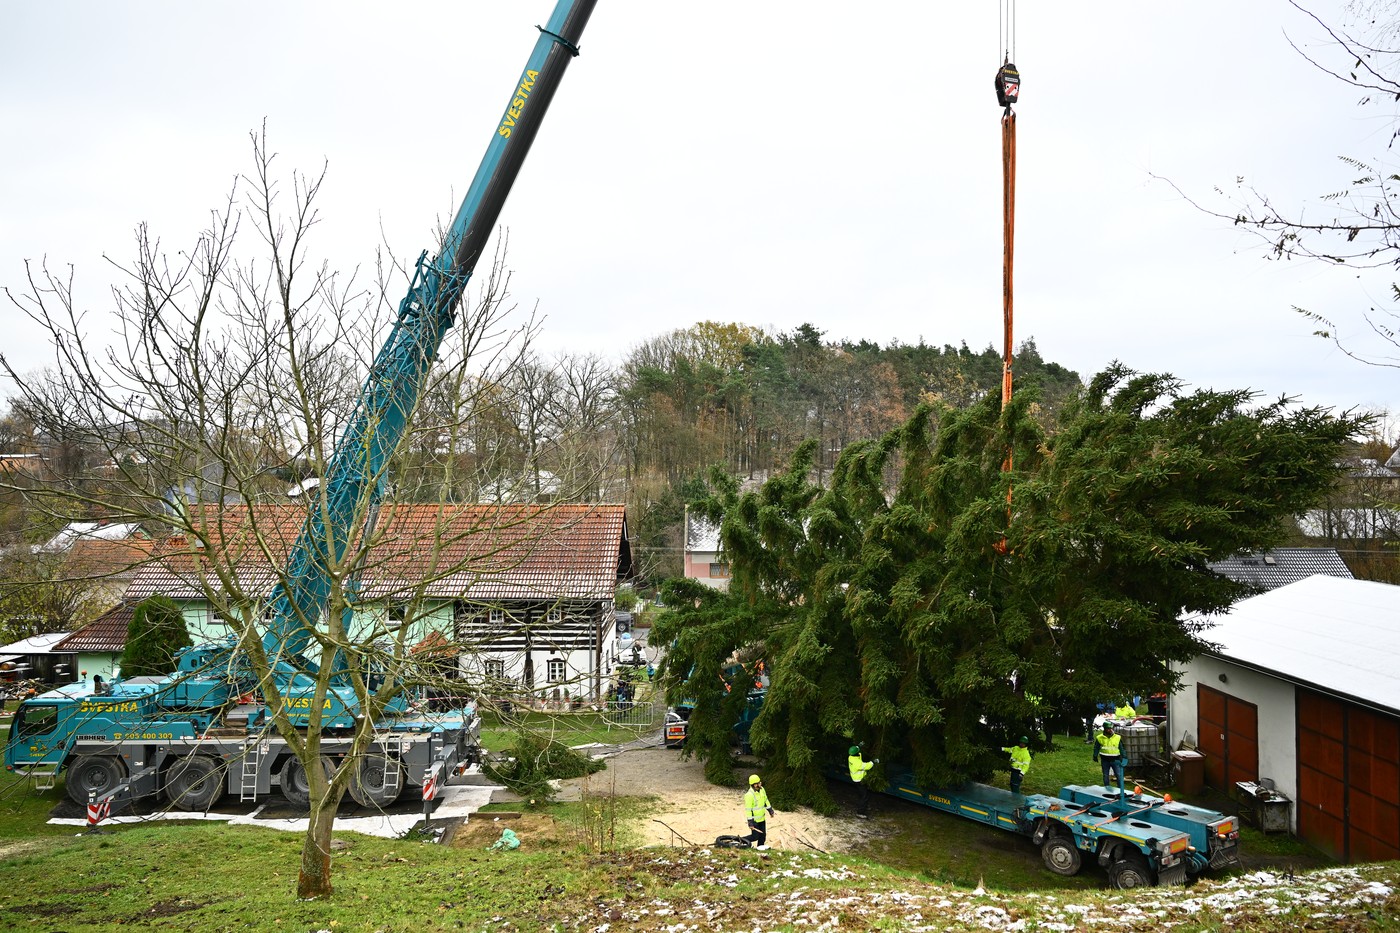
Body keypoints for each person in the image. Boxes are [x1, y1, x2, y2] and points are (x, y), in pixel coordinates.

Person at [743, 773, 773, 849]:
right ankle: (739, 840)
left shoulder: (762, 789)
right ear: (754, 785)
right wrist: (750, 822)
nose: (760, 784)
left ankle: (760, 849)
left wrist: (770, 810)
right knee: (754, 837)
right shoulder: (749, 795)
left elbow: (766, 800)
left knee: (762, 836)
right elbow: (748, 810)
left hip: (762, 819)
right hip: (755, 821)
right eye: (758, 783)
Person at [1094, 721, 1125, 793]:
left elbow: (1122, 748)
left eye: (1111, 728)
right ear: (1104, 729)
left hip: (1115, 760)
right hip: (1105, 760)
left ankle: (1120, 790)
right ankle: (1107, 789)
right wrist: (1095, 755)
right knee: (1105, 775)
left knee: (1118, 775)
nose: (1110, 730)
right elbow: (1096, 747)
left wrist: (1124, 757)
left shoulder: (1117, 737)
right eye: (1108, 728)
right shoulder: (1099, 738)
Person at [848, 745, 875, 818]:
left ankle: (864, 806)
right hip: (859, 780)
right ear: (856, 753)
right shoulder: (857, 763)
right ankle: (860, 812)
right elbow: (866, 766)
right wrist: (873, 762)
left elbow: (858, 754)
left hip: (856, 779)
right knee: (865, 796)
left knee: (862, 794)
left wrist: (858, 746)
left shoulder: (851, 757)